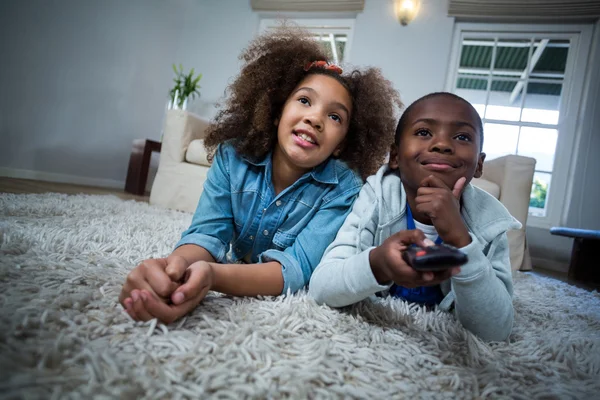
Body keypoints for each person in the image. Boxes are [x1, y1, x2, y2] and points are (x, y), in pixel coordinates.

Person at [118, 26, 401, 323]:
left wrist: (212, 276)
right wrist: (174, 267)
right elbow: (207, 234)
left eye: (334, 116)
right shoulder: (232, 157)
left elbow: (295, 269)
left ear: (341, 144)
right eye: (304, 100)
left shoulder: (344, 188)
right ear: (277, 112)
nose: (315, 118)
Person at [309, 92, 519, 341]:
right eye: (423, 132)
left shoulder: (490, 222)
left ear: (479, 164)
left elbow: (496, 331)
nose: (442, 144)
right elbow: (322, 288)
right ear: (395, 157)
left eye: (462, 137)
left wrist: (462, 241)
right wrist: (379, 263)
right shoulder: (377, 197)